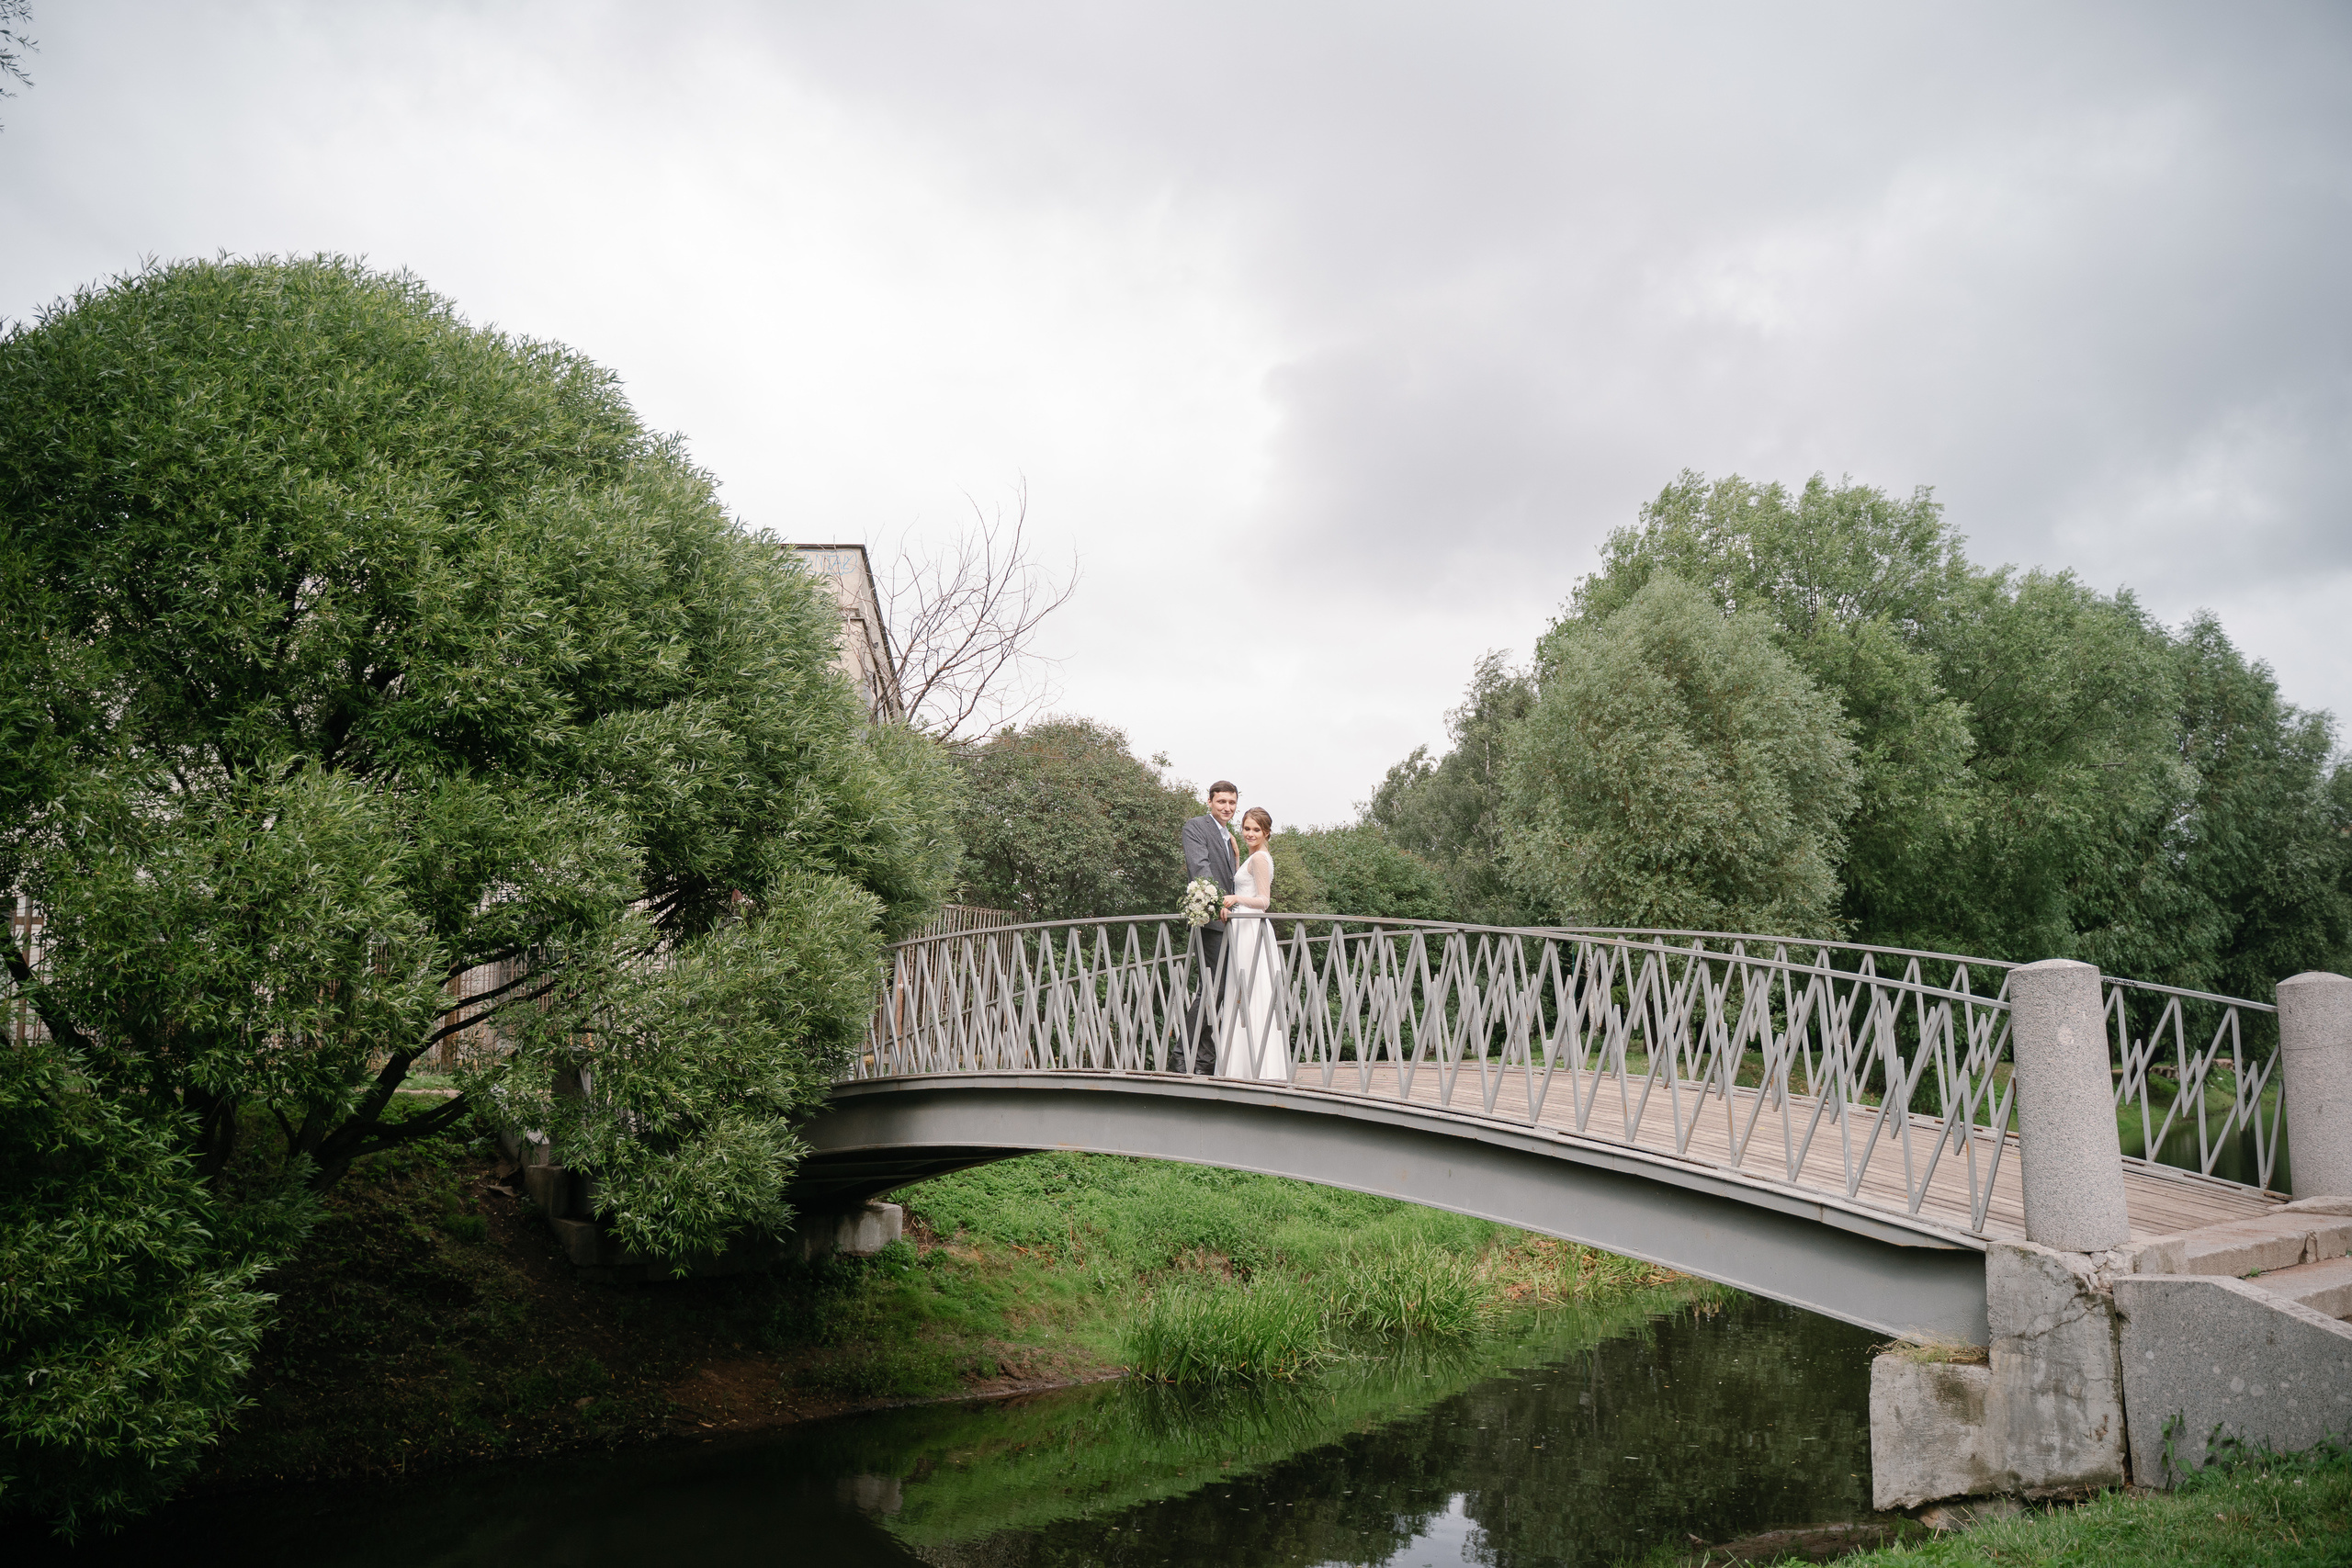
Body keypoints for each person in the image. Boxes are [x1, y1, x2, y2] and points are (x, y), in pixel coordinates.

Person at [1220, 806, 1289, 1079]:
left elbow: (1264, 901)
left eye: (1256, 830)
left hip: (1251, 928)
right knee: (1243, 990)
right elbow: (1245, 882)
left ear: (1267, 832)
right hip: (1242, 927)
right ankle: (1242, 1064)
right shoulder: (1252, 856)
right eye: (1246, 828)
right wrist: (1237, 855)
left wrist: (1235, 900)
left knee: (1251, 992)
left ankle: (1255, 1067)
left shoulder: (1261, 859)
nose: (1250, 833)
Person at [1180, 783, 1240, 1074]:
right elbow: (1200, 868)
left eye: (1231, 802)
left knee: (1221, 992)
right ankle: (1183, 1056)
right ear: (1209, 801)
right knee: (1211, 990)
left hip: (1235, 926)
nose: (1227, 807)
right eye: (1221, 802)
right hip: (1214, 921)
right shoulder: (1196, 827)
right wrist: (1217, 906)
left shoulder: (1230, 837)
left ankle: (1203, 1059)